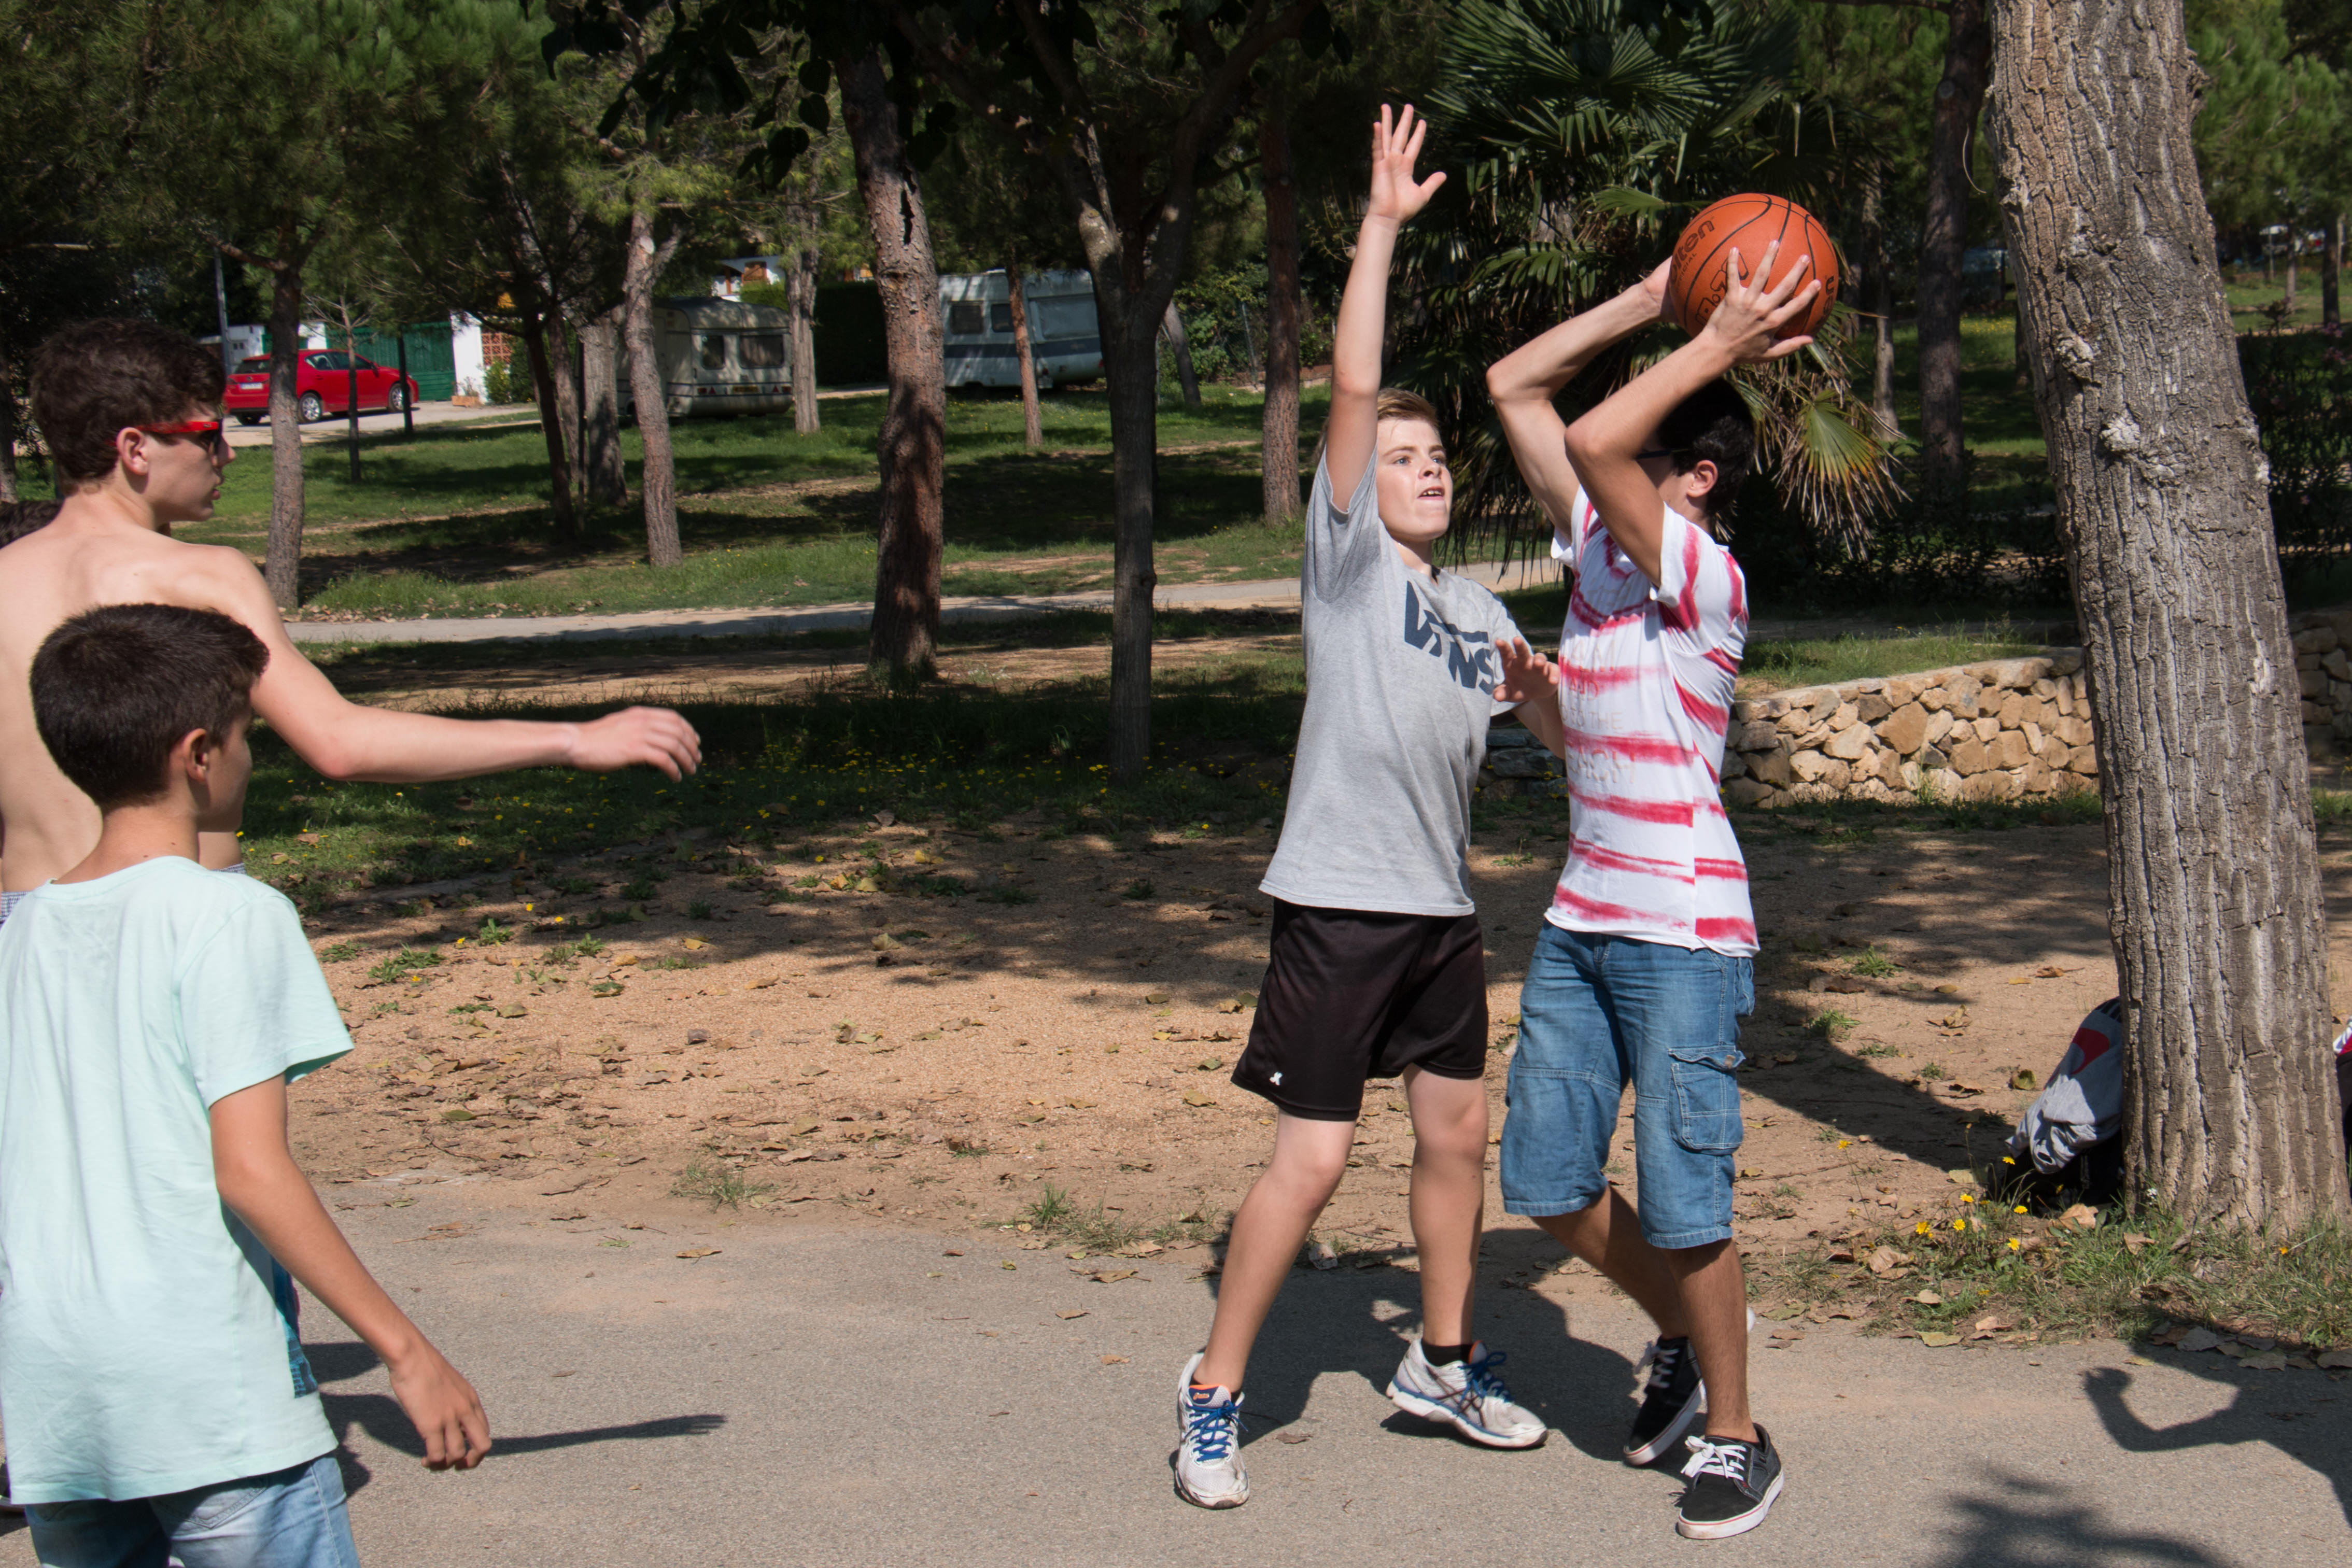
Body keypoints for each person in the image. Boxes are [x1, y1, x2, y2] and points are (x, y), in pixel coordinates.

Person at [1172, 104, 1564, 1510]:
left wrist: (1543, 697)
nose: (1428, 464)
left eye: (1437, 451)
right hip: (1339, 905)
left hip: (1440, 914)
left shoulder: (1477, 608)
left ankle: (1441, 1361)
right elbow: (1350, 383)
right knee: (1318, 1159)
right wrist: (1382, 227)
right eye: (1402, 455)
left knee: (1456, 1139)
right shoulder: (1347, 568)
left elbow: (1561, 740)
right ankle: (1215, 1389)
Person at [0, 602, 491, 1563]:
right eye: (244, 736)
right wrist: (405, 1350)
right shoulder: (231, 915)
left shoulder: (21, 935)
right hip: (209, 1393)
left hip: (59, 1400)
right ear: (199, 754)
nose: (250, 758)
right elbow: (251, 1170)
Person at [1484, 241, 1821, 1540]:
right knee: (1547, 1180)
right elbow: (1517, 388)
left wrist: (1717, 345)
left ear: (1696, 478)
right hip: (1580, 920)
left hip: (1684, 931)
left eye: (1644, 456)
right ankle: (1685, 1333)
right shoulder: (1600, 556)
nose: (1603, 472)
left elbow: (1587, 434)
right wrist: (1652, 297)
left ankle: (1738, 1437)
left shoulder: (1704, 576)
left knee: (1687, 1202)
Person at [0, 319, 702, 915]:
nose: (227, 453)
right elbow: (340, 744)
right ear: (134, 449)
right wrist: (575, 739)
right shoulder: (203, 575)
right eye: (208, 433)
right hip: (179, 920)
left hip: (26, 925)